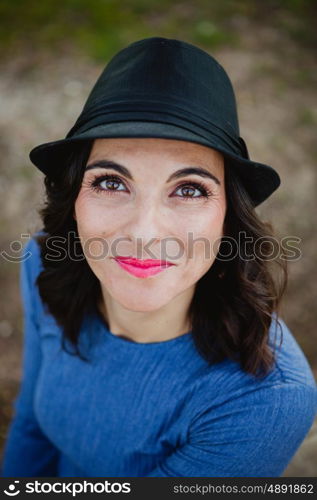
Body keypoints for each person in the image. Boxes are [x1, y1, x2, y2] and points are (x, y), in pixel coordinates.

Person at [1, 37, 317, 478]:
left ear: (228, 216)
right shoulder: (45, 263)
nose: (145, 235)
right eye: (111, 182)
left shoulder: (265, 400)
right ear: (73, 197)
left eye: (189, 189)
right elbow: (33, 428)